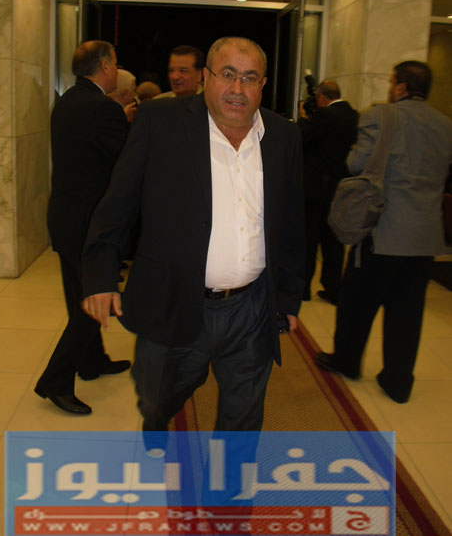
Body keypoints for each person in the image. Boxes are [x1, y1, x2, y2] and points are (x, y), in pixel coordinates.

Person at [81, 36, 304, 434]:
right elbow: (118, 204)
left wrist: (288, 297)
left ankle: (231, 475)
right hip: (176, 297)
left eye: (249, 78)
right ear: (206, 77)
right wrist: (100, 276)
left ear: (263, 84)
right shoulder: (160, 121)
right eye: (228, 74)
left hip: (252, 307)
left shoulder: (283, 136)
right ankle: (157, 417)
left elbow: (290, 222)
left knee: (244, 413)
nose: (237, 89)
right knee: (160, 395)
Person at [316, 61, 452, 403]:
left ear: (401, 86)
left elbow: (356, 164)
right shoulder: (445, 125)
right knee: (407, 311)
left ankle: (346, 361)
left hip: (384, 230)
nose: (391, 88)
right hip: (425, 236)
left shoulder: (381, 116)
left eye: (393, 82)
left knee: (356, 302)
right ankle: (397, 382)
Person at [35, 40, 131, 415]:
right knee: (92, 303)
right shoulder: (102, 108)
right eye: (115, 63)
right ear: (104, 66)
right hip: (87, 224)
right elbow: (124, 160)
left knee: (81, 295)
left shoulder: (67, 102)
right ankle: (55, 381)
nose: (117, 70)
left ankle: (92, 361)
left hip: (65, 217)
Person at [298, 80, 358, 304]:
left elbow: (302, 139)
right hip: (339, 189)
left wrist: (303, 119)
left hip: (315, 189)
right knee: (333, 243)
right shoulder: (354, 116)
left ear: (322, 97)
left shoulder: (325, 115)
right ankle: (333, 289)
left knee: (309, 240)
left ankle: (303, 289)